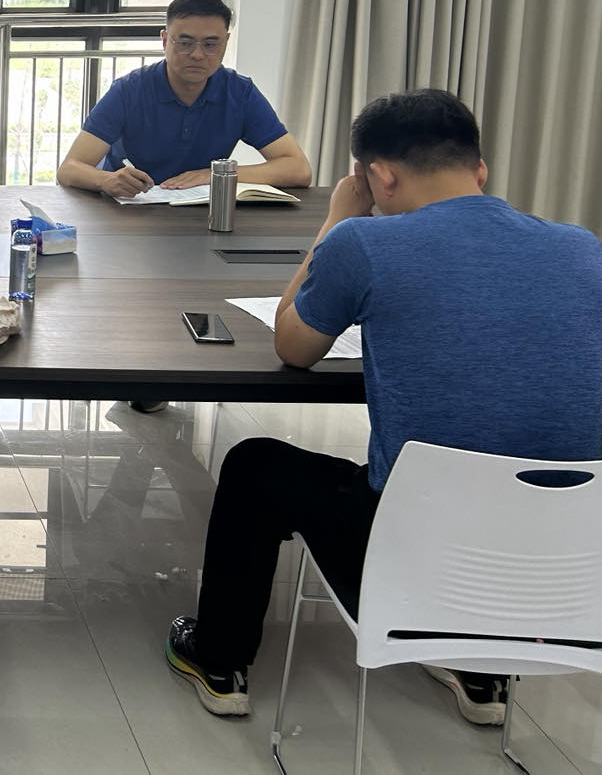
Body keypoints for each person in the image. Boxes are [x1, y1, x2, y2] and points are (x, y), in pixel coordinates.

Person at [164, 90, 602, 728]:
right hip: (562, 564)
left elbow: (292, 346)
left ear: (381, 177)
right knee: (502, 458)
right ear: (480, 169)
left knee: (255, 465)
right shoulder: (583, 248)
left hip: (418, 554)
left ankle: (218, 659)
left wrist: (338, 220)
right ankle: (481, 669)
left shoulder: (366, 244)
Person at [57, 0, 311, 197]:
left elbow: (298, 169)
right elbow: (69, 169)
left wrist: (212, 175)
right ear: (165, 40)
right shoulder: (129, 90)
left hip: (201, 213)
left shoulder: (239, 92)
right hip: (128, 208)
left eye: (210, 45)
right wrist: (107, 180)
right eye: (185, 43)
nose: (198, 55)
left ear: (225, 43)